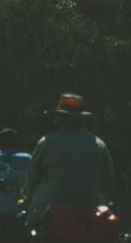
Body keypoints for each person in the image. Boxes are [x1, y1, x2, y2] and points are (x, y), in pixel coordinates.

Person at [26, 94, 115, 227]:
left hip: (53, 214)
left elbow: (31, 178)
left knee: (32, 227)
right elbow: (109, 182)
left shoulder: (46, 143)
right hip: (90, 212)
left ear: (60, 119)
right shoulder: (99, 144)